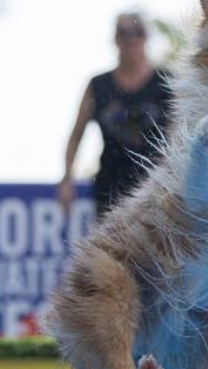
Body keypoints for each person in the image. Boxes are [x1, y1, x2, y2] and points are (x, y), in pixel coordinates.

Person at [58, 12, 173, 218]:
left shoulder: (165, 82)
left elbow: (181, 136)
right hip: (110, 187)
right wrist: (67, 179)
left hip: (154, 188)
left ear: (146, 37)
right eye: (124, 33)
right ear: (115, 39)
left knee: (149, 248)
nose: (131, 40)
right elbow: (76, 136)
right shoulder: (98, 85)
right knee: (110, 249)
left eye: (137, 32)